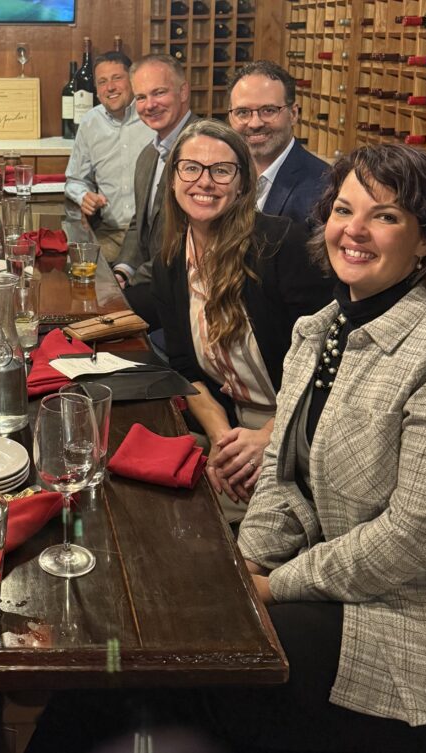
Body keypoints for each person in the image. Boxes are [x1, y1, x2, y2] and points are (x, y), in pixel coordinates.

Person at [29, 144, 426, 753]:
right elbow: (287, 480)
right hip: (335, 584)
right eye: (344, 210)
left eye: (387, 216)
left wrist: (270, 585)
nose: (356, 231)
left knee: (157, 658)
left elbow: (411, 540)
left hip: (417, 620)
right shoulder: (321, 331)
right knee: (123, 646)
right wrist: (251, 564)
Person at [151, 119, 333, 519]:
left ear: (242, 184)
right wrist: (221, 439)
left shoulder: (281, 246)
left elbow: (329, 366)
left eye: (221, 170)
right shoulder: (169, 257)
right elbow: (183, 365)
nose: (205, 182)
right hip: (232, 426)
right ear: (173, 177)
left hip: (305, 429)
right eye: (191, 167)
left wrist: (265, 439)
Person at [111, 54, 197, 327]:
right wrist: (123, 271)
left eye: (159, 93)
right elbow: (140, 224)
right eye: (141, 97)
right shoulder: (149, 154)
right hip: (153, 280)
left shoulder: (202, 148)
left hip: (185, 290)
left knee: (99, 319)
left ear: (183, 91)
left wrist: (132, 282)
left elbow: (186, 240)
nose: (150, 105)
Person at [63, 50, 153, 263]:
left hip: (150, 236)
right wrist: (84, 196)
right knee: (76, 268)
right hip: (109, 234)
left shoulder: (152, 117)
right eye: (102, 82)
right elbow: (74, 181)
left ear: (132, 80)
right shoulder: (89, 122)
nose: (109, 87)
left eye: (116, 78)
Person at [227, 60, 329, 226]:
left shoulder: (324, 186)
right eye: (243, 112)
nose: (255, 123)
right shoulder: (223, 173)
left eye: (268, 111)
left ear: (293, 114)